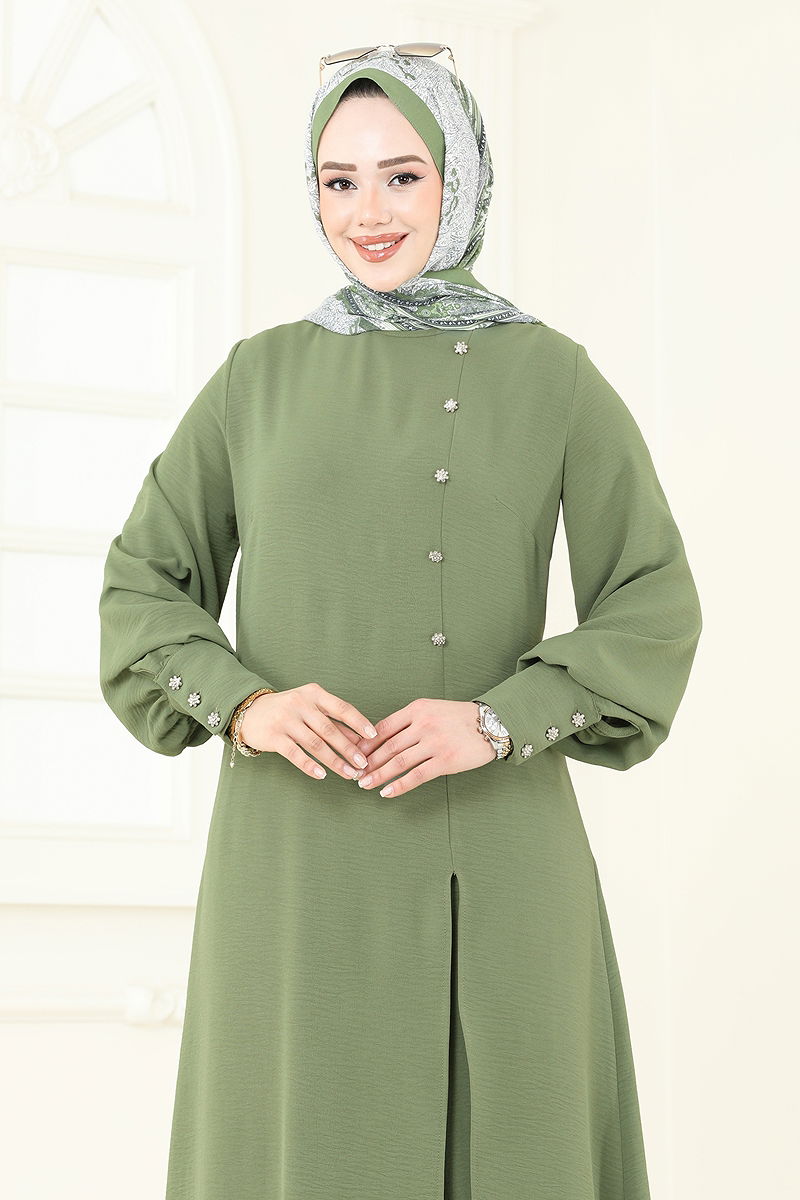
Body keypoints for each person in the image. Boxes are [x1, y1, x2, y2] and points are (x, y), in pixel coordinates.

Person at [98, 44, 702, 1200]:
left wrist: (501, 717)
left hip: (496, 848)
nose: (366, 213)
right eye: (338, 180)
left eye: (401, 176)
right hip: (293, 864)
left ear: (458, 178)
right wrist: (244, 705)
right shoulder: (255, 381)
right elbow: (141, 586)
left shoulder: (551, 378)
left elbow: (650, 599)